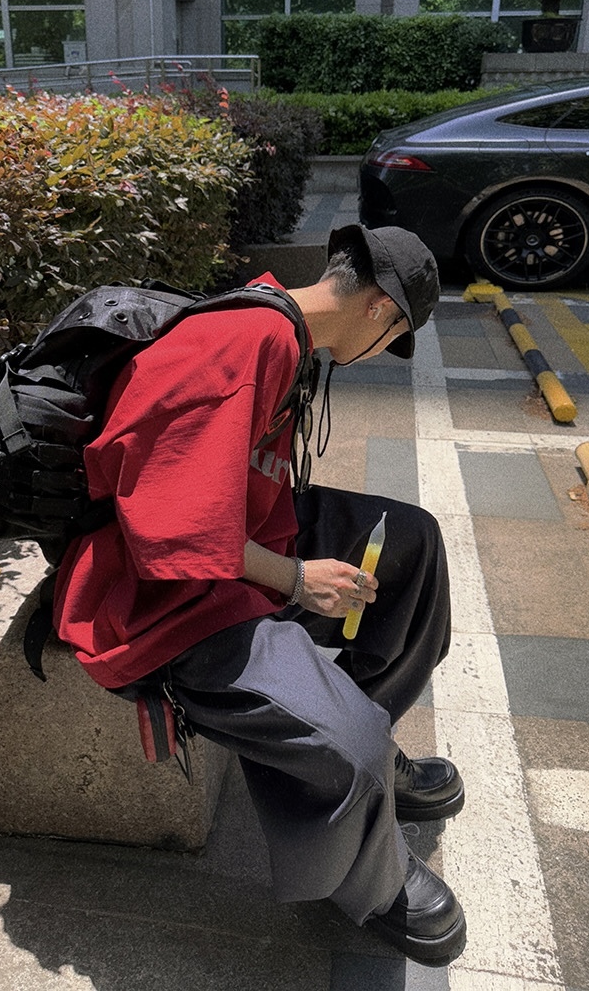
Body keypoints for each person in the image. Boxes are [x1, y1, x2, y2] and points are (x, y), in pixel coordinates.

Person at [53, 223, 467, 967]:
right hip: (162, 599)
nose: (385, 351)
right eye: (396, 336)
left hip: (243, 537)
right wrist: (299, 579)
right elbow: (171, 535)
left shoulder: (279, 322)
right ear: (378, 308)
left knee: (413, 542)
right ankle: (371, 875)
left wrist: (294, 562)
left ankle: (361, 748)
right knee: (350, 745)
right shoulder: (243, 345)